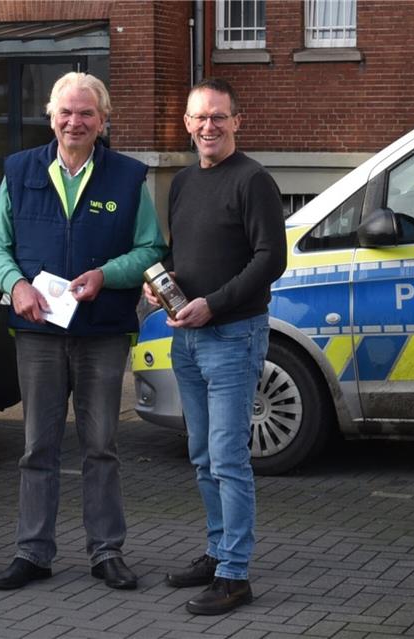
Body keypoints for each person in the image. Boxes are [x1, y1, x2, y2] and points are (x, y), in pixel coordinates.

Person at [0, 72, 167, 591]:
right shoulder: (20, 171)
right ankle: (32, 551)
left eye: (86, 113)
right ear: (51, 117)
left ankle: (106, 551)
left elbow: (151, 249)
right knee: (36, 446)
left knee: (101, 446)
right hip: (38, 331)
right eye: (65, 112)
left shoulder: (127, 177)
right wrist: (16, 285)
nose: (75, 121)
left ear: (103, 121)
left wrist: (107, 275)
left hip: (102, 333)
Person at [144, 78, 286, 615]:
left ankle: (235, 575)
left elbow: (271, 258)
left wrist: (214, 304)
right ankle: (217, 550)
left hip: (232, 336)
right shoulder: (183, 182)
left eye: (218, 117)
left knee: (228, 458)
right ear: (186, 123)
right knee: (202, 455)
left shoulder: (253, 180)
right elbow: (186, 255)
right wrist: (164, 283)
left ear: (236, 122)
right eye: (200, 117)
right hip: (187, 336)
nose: (209, 126)